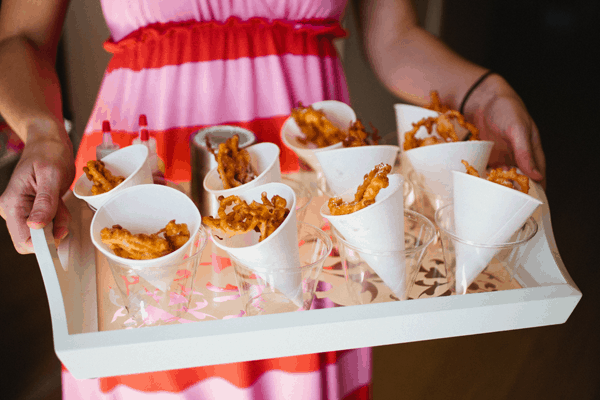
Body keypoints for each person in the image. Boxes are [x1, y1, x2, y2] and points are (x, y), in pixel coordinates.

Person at [0, 0, 546, 398]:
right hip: (142, 192)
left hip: (308, 200)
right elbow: (18, 39)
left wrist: (484, 90)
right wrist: (44, 133)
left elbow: (393, 37)